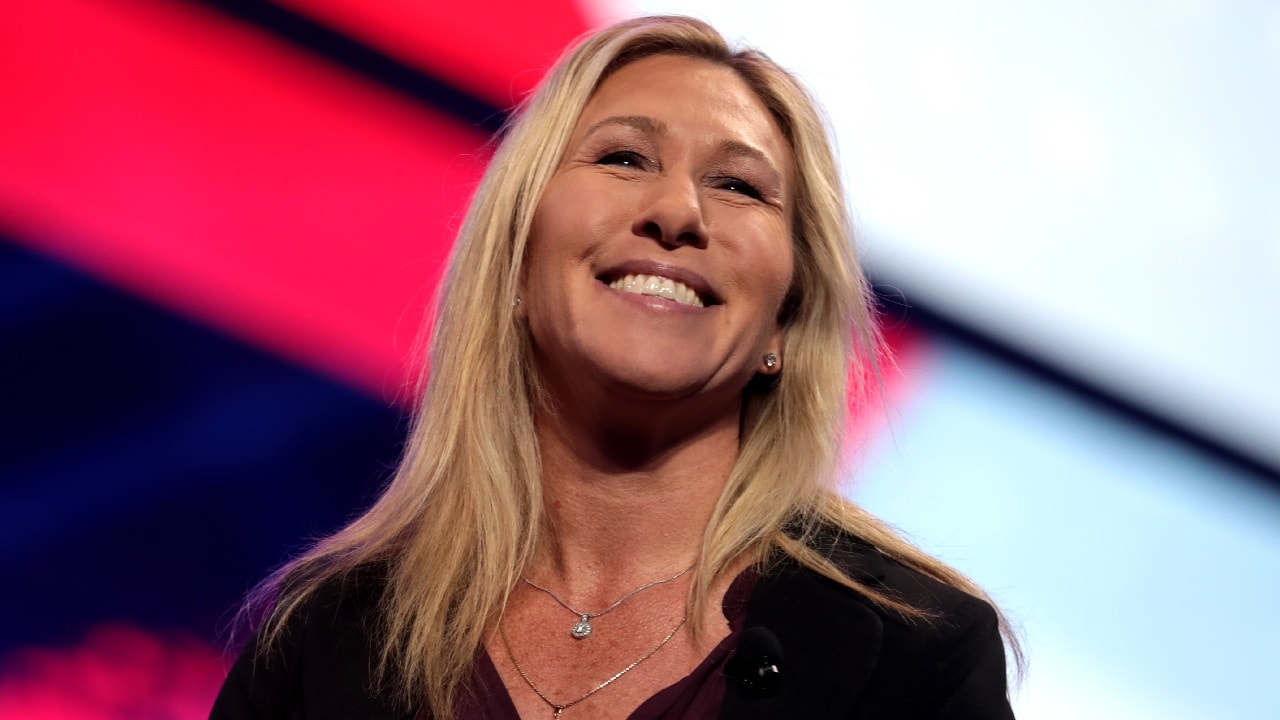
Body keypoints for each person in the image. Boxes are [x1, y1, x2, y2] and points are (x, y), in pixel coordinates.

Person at [211, 15, 1020, 720]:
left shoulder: (919, 654)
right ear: (518, 265)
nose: (676, 213)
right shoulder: (323, 636)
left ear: (785, 321)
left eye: (738, 185)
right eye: (625, 159)